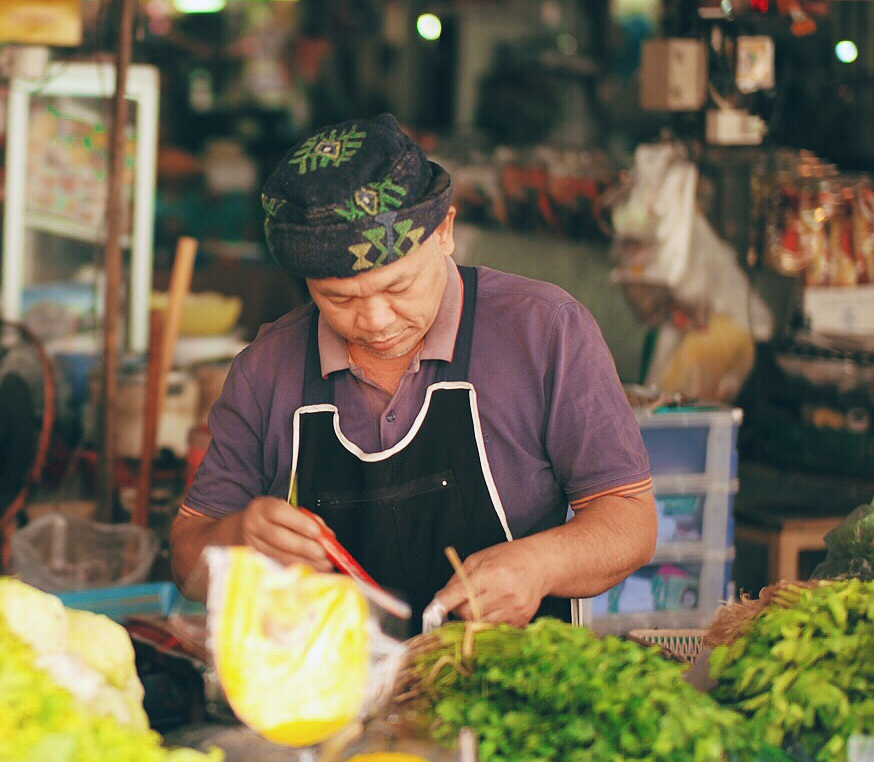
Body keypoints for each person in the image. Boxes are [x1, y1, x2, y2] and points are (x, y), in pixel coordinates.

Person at [169, 114, 656, 626]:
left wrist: (540, 565)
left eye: (398, 288)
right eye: (339, 299)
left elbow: (631, 520)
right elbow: (186, 562)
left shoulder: (544, 331)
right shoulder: (266, 369)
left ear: (445, 231)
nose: (376, 322)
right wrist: (237, 540)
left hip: (511, 680)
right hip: (337, 696)